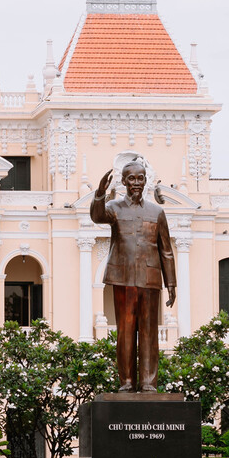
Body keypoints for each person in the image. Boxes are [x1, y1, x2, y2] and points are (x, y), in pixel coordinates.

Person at [90, 160, 176, 392]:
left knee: (149, 333)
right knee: (126, 333)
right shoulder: (114, 208)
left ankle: (148, 383)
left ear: (145, 181)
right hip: (123, 278)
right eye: (132, 179)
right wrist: (99, 194)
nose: (136, 183)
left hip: (150, 279)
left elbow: (165, 249)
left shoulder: (157, 212)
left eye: (140, 178)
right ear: (124, 182)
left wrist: (171, 283)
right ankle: (126, 382)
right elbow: (97, 217)